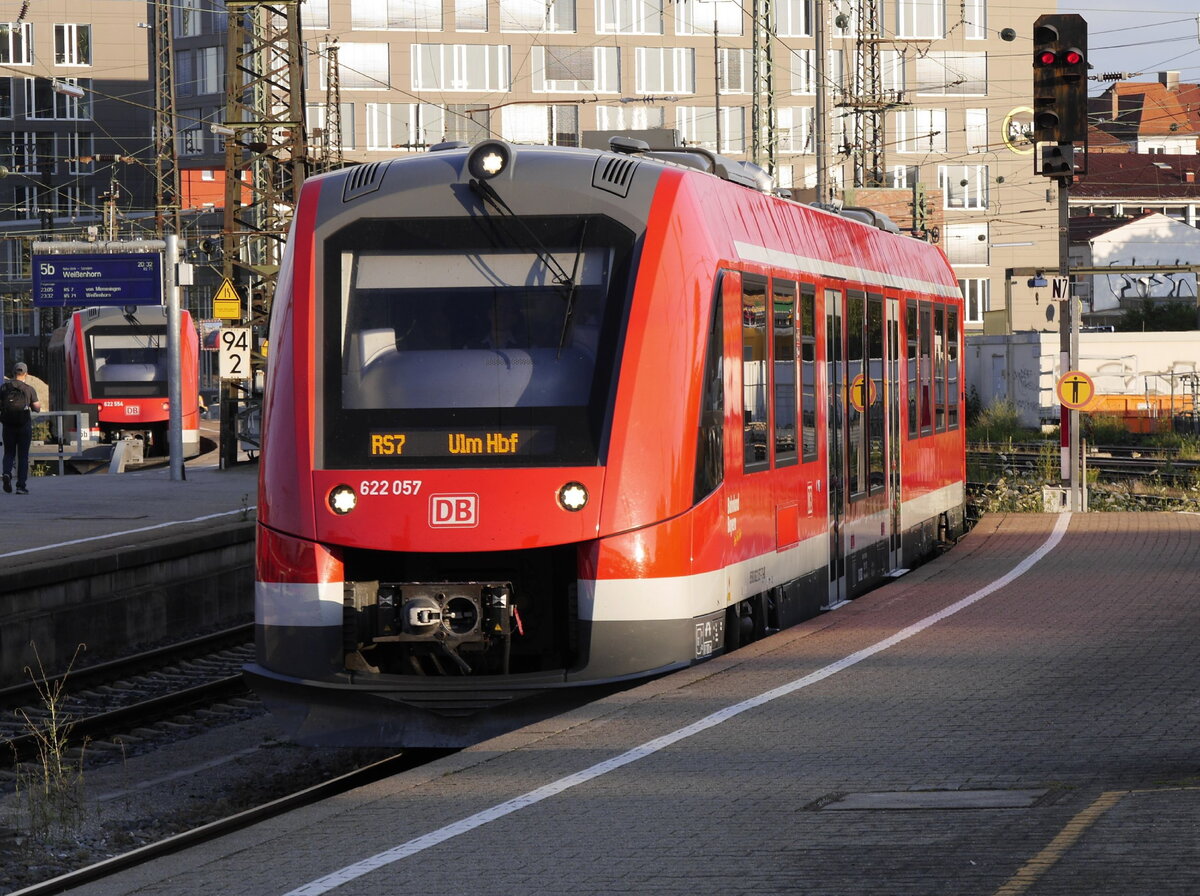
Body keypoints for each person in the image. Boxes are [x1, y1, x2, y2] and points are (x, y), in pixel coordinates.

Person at [1, 361, 42, 495]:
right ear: (26, 374)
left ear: (13, 373)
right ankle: (21, 486)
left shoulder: (4, 388)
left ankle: (7, 473)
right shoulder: (29, 389)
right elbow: (37, 408)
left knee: (9, 453)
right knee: (23, 456)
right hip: (24, 426)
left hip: (8, 425)